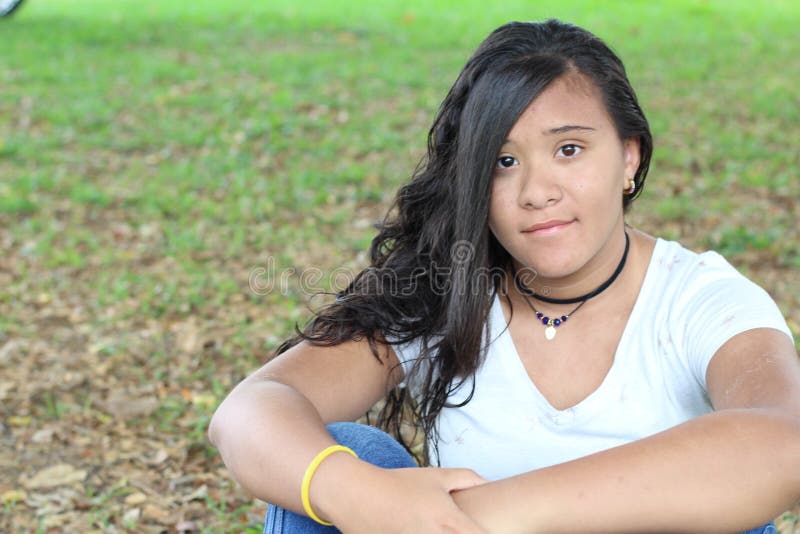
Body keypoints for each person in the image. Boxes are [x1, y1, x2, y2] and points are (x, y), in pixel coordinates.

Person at [208, 19, 800, 533]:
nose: (537, 193)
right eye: (503, 162)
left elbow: (785, 442)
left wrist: (482, 517)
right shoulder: (445, 291)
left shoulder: (699, 298)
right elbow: (249, 411)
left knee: (732, 491)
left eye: (569, 149)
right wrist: (356, 493)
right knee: (347, 452)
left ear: (629, 156)